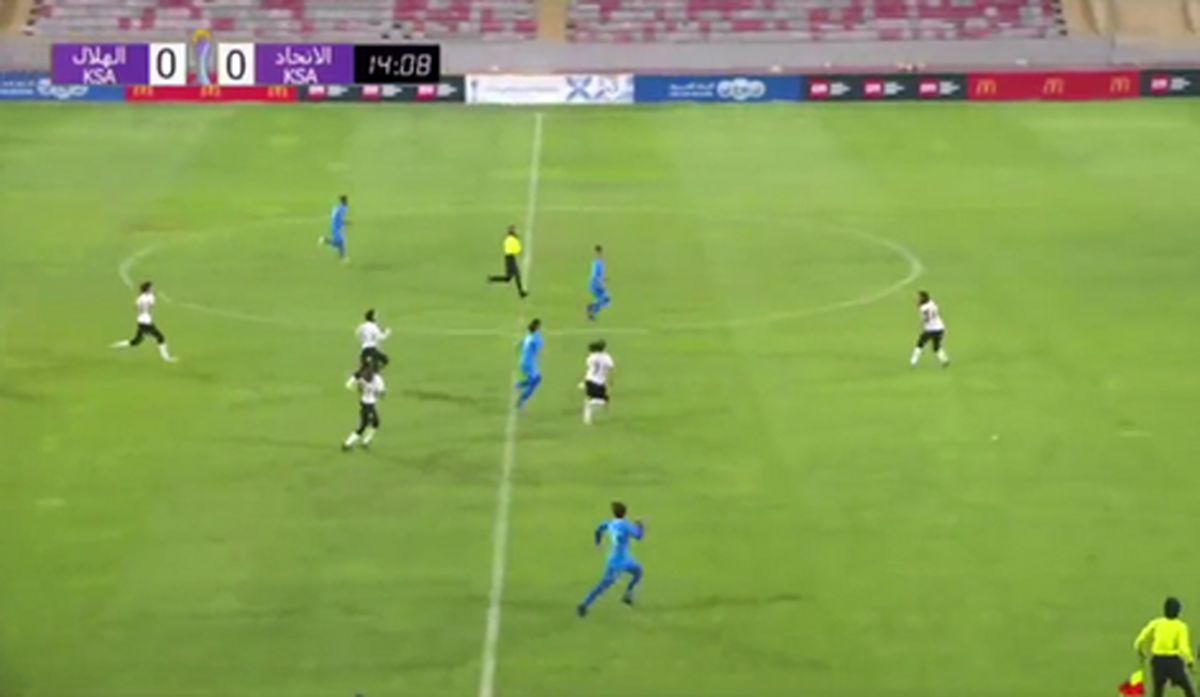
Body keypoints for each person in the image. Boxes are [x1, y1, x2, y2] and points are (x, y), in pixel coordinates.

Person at [577, 501, 645, 617]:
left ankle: (628, 595)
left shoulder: (609, 524)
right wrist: (640, 526)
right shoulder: (626, 525)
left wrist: (598, 543)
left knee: (638, 571)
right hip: (619, 562)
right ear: (625, 513)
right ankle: (584, 604)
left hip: (619, 559)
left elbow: (598, 530)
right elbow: (639, 536)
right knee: (604, 585)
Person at [1135, 597, 1196, 697]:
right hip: (1174, 662)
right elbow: (1183, 647)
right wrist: (1190, 661)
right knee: (1187, 689)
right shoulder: (1181, 626)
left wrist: (1141, 652)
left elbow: (1140, 639)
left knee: (1158, 691)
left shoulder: (1156, 623)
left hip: (1158, 661)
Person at [111, 281, 176, 363]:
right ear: (148, 288)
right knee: (161, 338)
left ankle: (117, 345)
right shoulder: (151, 297)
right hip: (147, 322)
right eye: (152, 287)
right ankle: (167, 358)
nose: (153, 288)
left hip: (141, 321)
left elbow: (135, 307)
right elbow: (151, 307)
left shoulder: (140, 297)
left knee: (136, 341)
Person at [343, 358, 385, 450]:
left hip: (366, 403)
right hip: (368, 405)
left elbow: (356, 387)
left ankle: (365, 441)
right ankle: (348, 443)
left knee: (374, 423)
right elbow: (381, 393)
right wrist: (376, 393)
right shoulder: (377, 379)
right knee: (365, 426)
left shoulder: (364, 377)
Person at [910, 290, 950, 368]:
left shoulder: (923, 308)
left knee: (920, 344)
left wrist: (922, 325)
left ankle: (913, 361)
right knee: (936, 347)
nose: (917, 299)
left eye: (919, 297)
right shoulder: (932, 303)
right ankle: (944, 360)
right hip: (940, 328)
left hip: (930, 330)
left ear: (923, 298)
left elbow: (926, 319)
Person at [488, 225, 527, 298]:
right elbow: (518, 251)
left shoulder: (507, 239)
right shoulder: (514, 240)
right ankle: (521, 292)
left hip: (508, 258)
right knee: (517, 275)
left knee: (508, 278)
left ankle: (492, 278)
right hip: (511, 258)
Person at [580, 339, 614, 425]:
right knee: (603, 401)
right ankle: (588, 411)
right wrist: (610, 380)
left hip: (590, 380)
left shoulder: (591, 357)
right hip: (600, 381)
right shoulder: (607, 357)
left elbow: (589, 368)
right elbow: (610, 369)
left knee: (596, 400)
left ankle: (587, 416)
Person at [515, 319, 543, 411]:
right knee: (535, 382)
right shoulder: (537, 337)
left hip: (524, 362)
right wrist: (538, 359)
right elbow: (538, 348)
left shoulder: (529, 335)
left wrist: (519, 343)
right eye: (540, 326)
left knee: (535, 380)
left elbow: (523, 342)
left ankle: (518, 385)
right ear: (537, 327)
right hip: (529, 364)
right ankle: (522, 400)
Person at [320, 194, 349, 262]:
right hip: (336, 227)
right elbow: (340, 219)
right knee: (340, 243)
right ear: (344, 201)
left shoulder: (339, 208)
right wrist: (348, 223)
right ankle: (325, 240)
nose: (347, 201)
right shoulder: (342, 209)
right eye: (346, 200)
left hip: (337, 226)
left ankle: (325, 240)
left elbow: (335, 215)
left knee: (340, 243)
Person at [586, 245, 611, 321]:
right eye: (601, 253)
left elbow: (600, 275)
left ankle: (592, 313)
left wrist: (604, 279)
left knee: (605, 301)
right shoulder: (597, 263)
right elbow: (594, 276)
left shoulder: (601, 263)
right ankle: (591, 308)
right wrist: (601, 283)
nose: (602, 255)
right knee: (606, 300)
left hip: (597, 283)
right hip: (595, 284)